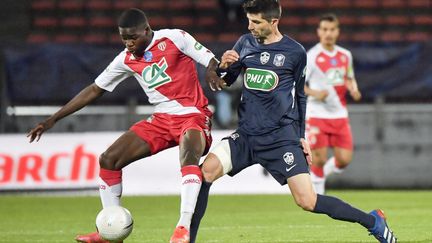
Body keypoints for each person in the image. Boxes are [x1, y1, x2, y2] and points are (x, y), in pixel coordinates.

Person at [186, 1, 397, 243]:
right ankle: (187, 239)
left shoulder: (295, 52)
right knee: (203, 175)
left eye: (256, 22)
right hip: (246, 136)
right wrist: (224, 67)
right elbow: (224, 82)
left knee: (308, 201)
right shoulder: (244, 43)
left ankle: (372, 221)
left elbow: (300, 96)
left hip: (280, 139)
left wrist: (301, 136)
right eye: (248, 20)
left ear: (273, 22)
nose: (249, 26)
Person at [26, 8, 224, 243]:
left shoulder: (174, 37)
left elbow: (209, 58)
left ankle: (183, 227)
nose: (129, 43)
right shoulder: (125, 60)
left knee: (189, 154)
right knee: (108, 159)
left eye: (133, 38)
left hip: (192, 114)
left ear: (147, 31)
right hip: (161, 120)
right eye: (124, 38)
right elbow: (94, 90)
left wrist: (212, 70)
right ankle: (109, 231)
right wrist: (52, 119)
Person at [304, 13, 362, 195]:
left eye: (332, 29)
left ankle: (317, 179)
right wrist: (315, 93)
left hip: (339, 115)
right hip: (317, 115)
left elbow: (349, 78)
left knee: (344, 159)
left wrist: (354, 89)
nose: (328, 33)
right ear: (318, 32)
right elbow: (297, 85)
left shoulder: (345, 55)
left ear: (337, 32)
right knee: (319, 159)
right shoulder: (311, 56)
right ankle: (319, 198)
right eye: (324, 29)